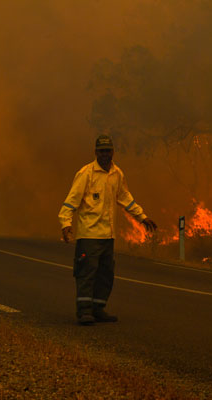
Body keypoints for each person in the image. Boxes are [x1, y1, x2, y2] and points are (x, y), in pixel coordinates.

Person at [58, 134, 157, 325]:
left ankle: (98, 308)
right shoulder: (86, 174)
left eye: (108, 151)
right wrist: (66, 224)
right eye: (102, 151)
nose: (105, 155)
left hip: (108, 236)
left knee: (105, 274)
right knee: (87, 273)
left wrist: (142, 217)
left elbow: (126, 198)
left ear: (113, 152)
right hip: (89, 235)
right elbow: (71, 202)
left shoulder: (117, 174)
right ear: (96, 152)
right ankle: (84, 312)